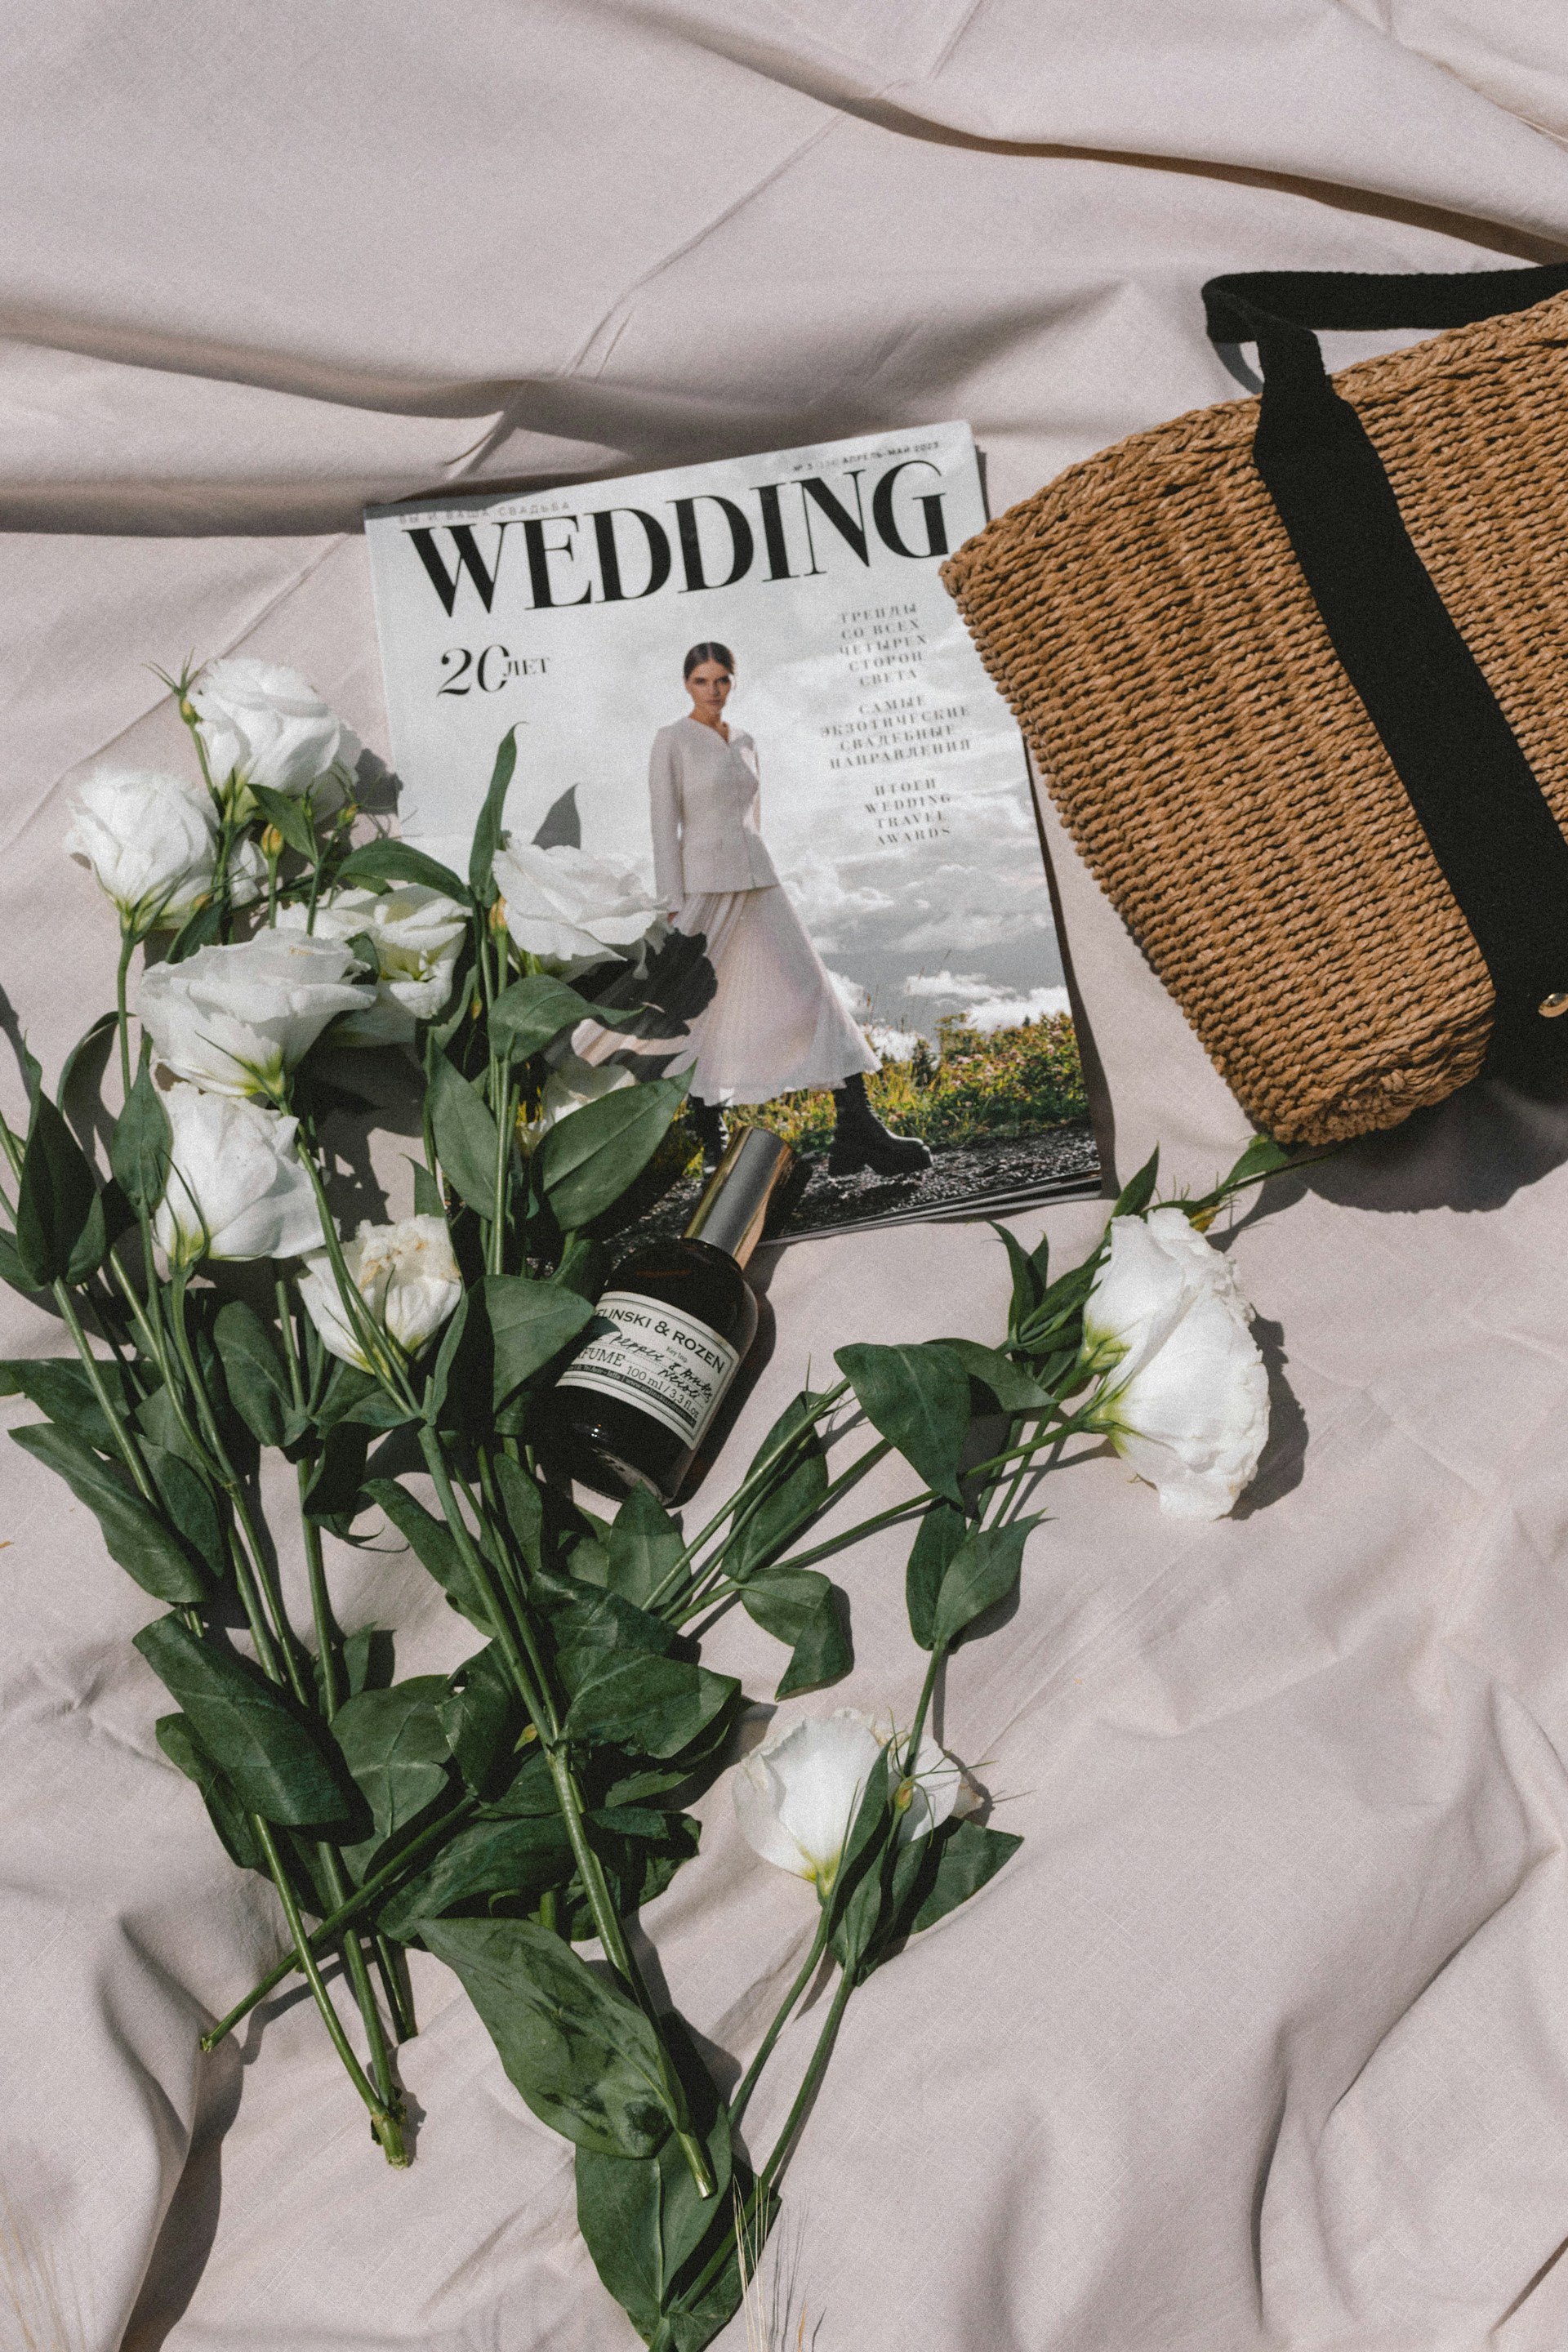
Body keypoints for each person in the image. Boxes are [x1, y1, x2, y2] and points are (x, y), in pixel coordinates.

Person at [648, 642, 931, 1176]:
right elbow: (665, 825)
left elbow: (755, 817)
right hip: (701, 886)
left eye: (723, 680)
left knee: (813, 988)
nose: (714, 691)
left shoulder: (747, 741)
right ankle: (711, 1139)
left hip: (760, 877)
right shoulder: (671, 742)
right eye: (703, 681)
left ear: (733, 681)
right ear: (688, 684)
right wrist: (671, 902)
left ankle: (857, 1126)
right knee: (698, 1008)